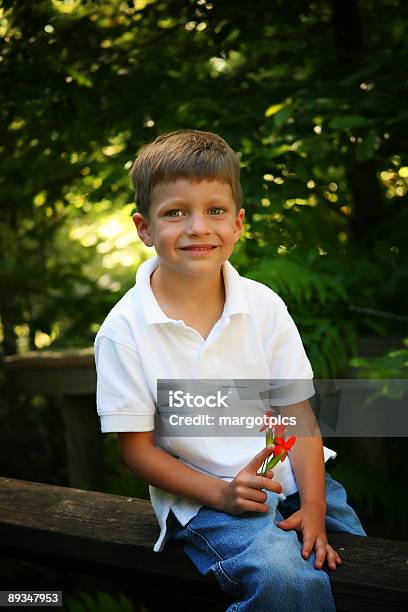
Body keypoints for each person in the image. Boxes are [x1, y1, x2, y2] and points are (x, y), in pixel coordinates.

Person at [94, 129, 367, 611]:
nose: (198, 227)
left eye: (215, 211)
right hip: (205, 497)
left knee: (369, 572)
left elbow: (297, 415)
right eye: (176, 212)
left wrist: (315, 508)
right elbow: (135, 451)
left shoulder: (264, 306)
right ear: (143, 228)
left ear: (238, 223)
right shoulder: (124, 330)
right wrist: (222, 494)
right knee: (289, 585)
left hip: (295, 479)